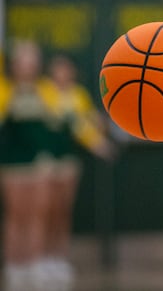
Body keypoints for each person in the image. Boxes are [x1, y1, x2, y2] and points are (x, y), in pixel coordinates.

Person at [42, 54, 114, 290]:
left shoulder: (78, 95)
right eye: (59, 69)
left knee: (63, 210)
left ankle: (58, 258)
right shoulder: (44, 92)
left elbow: (86, 125)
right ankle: (41, 258)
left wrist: (99, 135)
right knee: (46, 211)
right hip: (42, 163)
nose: (63, 74)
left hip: (67, 162)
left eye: (67, 69)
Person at [0, 40, 58, 290]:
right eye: (24, 60)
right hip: (12, 163)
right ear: (15, 64)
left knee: (38, 215)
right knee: (15, 216)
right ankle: (14, 266)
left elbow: (54, 122)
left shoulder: (45, 89)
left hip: (39, 163)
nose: (28, 66)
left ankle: (34, 264)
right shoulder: (5, 90)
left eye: (32, 61)